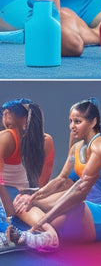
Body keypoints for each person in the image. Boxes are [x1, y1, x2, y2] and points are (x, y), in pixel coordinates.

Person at [8, 98, 101, 252]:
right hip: (85, 205)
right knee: (22, 202)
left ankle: (36, 233)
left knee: (68, 206)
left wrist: (37, 223)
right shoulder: (77, 148)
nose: (72, 126)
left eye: (77, 121)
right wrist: (33, 197)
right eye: (71, 121)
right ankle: (48, 235)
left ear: (93, 122)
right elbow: (62, 179)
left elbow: (80, 190)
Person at [0, 98, 54, 242]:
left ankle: (49, 233)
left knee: (20, 201)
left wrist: (33, 195)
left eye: (7, 114)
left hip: (17, 195)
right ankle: (48, 232)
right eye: (3, 115)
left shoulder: (44, 141)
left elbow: (43, 181)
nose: (4, 119)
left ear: (24, 119)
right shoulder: (8, 137)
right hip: (15, 193)